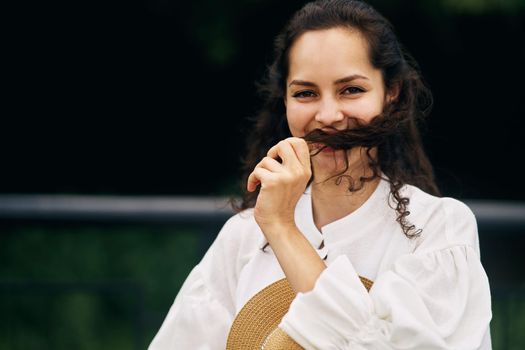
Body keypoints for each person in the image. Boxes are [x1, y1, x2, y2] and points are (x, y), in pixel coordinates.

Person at [149, 0, 492, 348]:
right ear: (285, 101)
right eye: (306, 93)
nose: (328, 115)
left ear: (391, 93)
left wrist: (283, 229)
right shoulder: (244, 236)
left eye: (351, 90)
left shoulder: (438, 230)